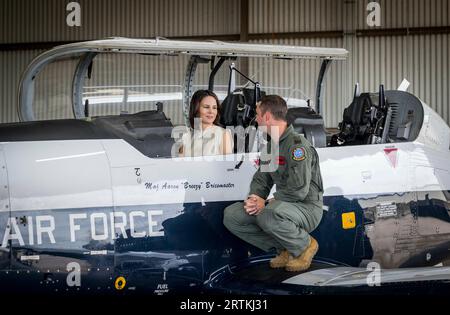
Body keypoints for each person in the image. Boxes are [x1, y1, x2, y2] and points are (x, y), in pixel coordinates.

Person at [223, 95, 324, 272]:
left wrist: (267, 202)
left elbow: (298, 190)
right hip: (283, 207)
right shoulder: (271, 147)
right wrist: (255, 198)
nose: (256, 118)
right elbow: (262, 179)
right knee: (232, 216)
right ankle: (285, 248)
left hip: (306, 208)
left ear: (267, 117)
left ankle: (304, 246)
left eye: (258, 114)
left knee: (267, 214)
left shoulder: (296, 147)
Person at [179, 90, 233, 157]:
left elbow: (227, 165)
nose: (211, 111)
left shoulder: (223, 134)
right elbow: (179, 164)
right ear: (196, 109)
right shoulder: (187, 136)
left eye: (214, 108)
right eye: (206, 107)